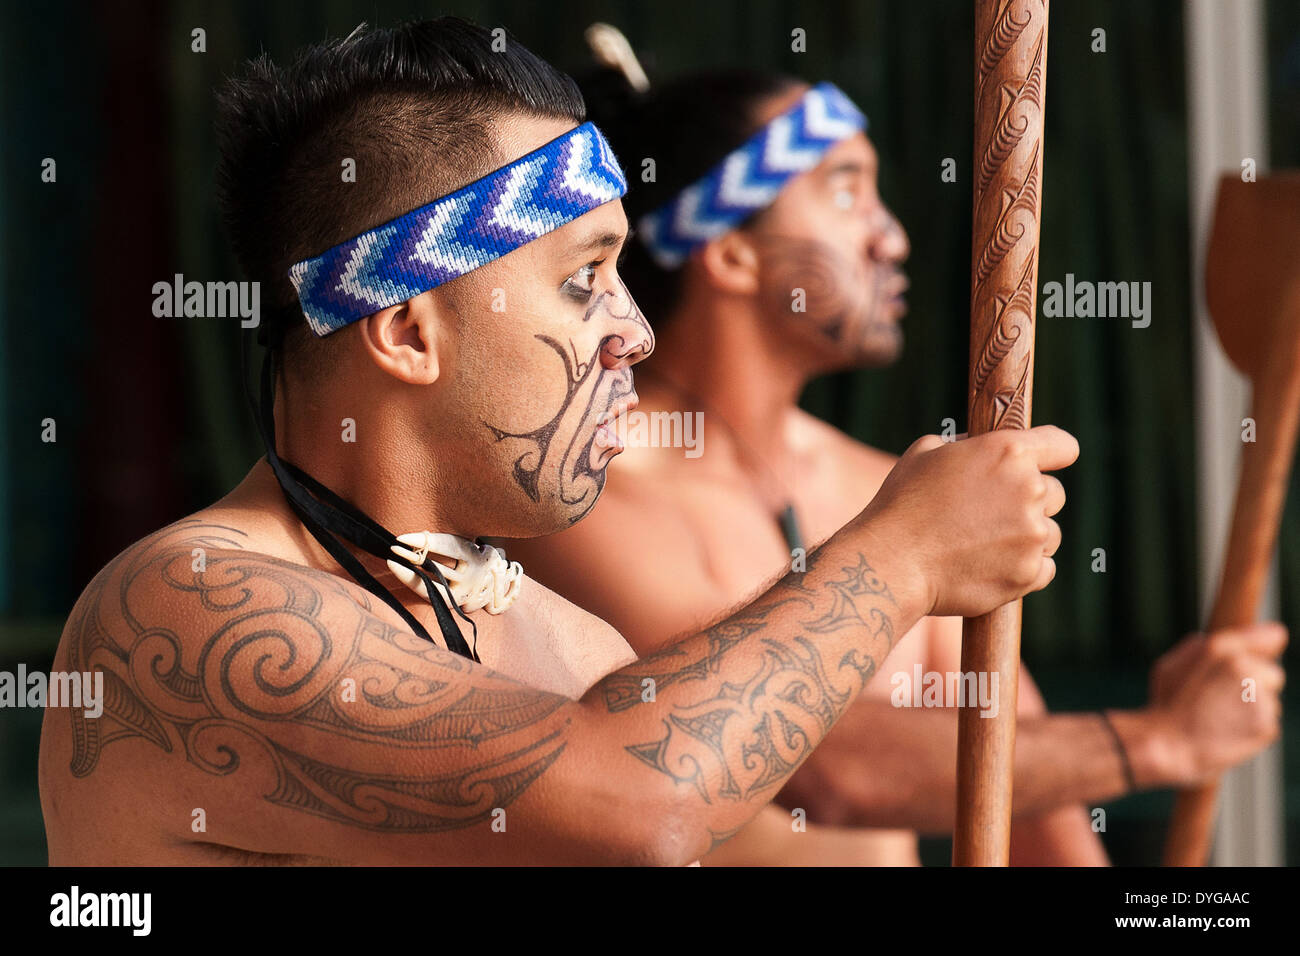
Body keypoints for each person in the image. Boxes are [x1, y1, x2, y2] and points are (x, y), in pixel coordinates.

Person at [37, 18, 1077, 866]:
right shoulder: (180, 604)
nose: (634, 329)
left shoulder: (577, 649)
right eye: (584, 281)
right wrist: (898, 558)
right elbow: (640, 803)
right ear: (406, 328)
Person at [504, 62, 1288, 865]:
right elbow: (817, 763)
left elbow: (1029, 810)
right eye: (846, 192)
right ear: (732, 253)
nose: (892, 235)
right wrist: (1155, 742)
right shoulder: (583, 492)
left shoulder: (894, 490)